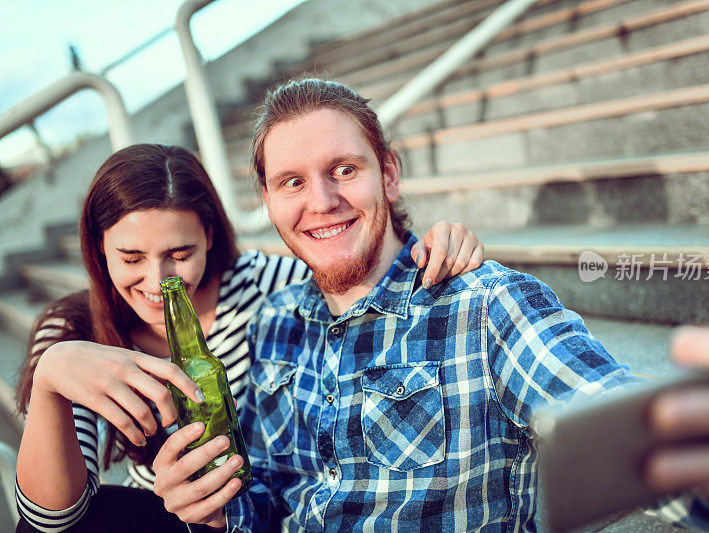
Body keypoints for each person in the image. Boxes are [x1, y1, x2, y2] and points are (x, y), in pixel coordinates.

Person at [151, 79, 709, 532]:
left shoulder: (486, 303)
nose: (320, 201)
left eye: (343, 169)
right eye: (292, 181)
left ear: (389, 174)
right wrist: (218, 507)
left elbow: (631, 433)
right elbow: (274, 497)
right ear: (267, 200)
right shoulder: (274, 321)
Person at [13, 143, 487, 532]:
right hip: (168, 515)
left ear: (211, 236)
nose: (159, 281)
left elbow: (360, 270)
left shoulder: (270, 285)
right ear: (99, 249)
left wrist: (434, 244)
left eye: (180, 253)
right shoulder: (74, 332)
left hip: (258, 512)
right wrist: (51, 377)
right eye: (132, 257)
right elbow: (49, 521)